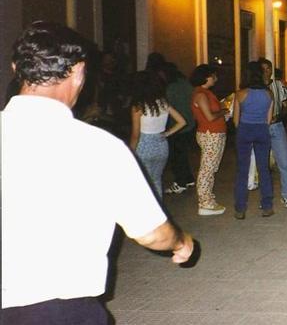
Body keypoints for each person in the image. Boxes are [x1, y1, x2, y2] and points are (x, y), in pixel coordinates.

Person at [1, 22, 193, 323]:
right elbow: (152, 233)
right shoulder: (97, 146)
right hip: (55, 309)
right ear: (78, 71)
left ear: (16, 68)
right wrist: (181, 241)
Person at [129, 70, 187, 199]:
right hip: (161, 145)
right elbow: (182, 122)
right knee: (156, 180)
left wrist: (131, 152)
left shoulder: (138, 107)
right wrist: (166, 134)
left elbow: (135, 134)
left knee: (143, 183)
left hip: (143, 146)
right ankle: (158, 213)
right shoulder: (163, 103)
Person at [233, 61, 275, 219]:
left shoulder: (240, 94)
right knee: (263, 169)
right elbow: (269, 119)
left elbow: (236, 121)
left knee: (242, 170)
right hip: (262, 130)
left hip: (245, 130)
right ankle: (267, 206)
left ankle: (240, 208)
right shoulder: (269, 94)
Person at [190, 64, 228, 216]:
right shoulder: (201, 94)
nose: (215, 78)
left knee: (210, 167)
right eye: (213, 75)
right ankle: (204, 202)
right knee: (207, 169)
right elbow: (210, 116)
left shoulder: (205, 93)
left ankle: (208, 200)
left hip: (213, 133)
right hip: (210, 134)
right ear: (206, 77)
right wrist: (223, 111)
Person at [259, 58, 287, 208]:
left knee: (284, 161)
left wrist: (279, 116)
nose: (267, 72)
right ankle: (265, 198)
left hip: (277, 126)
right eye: (264, 69)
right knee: (263, 164)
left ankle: (286, 195)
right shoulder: (255, 88)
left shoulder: (278, 85)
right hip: (261, 128)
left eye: (269, 69)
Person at [162, 62, 197, 194]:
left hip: (176, 125)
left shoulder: (170, 88)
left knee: (177, 156)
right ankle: (188, 178)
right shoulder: (186, 84)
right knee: (183, 154)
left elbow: (167, 107)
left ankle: (180, 181)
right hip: (190, 123)